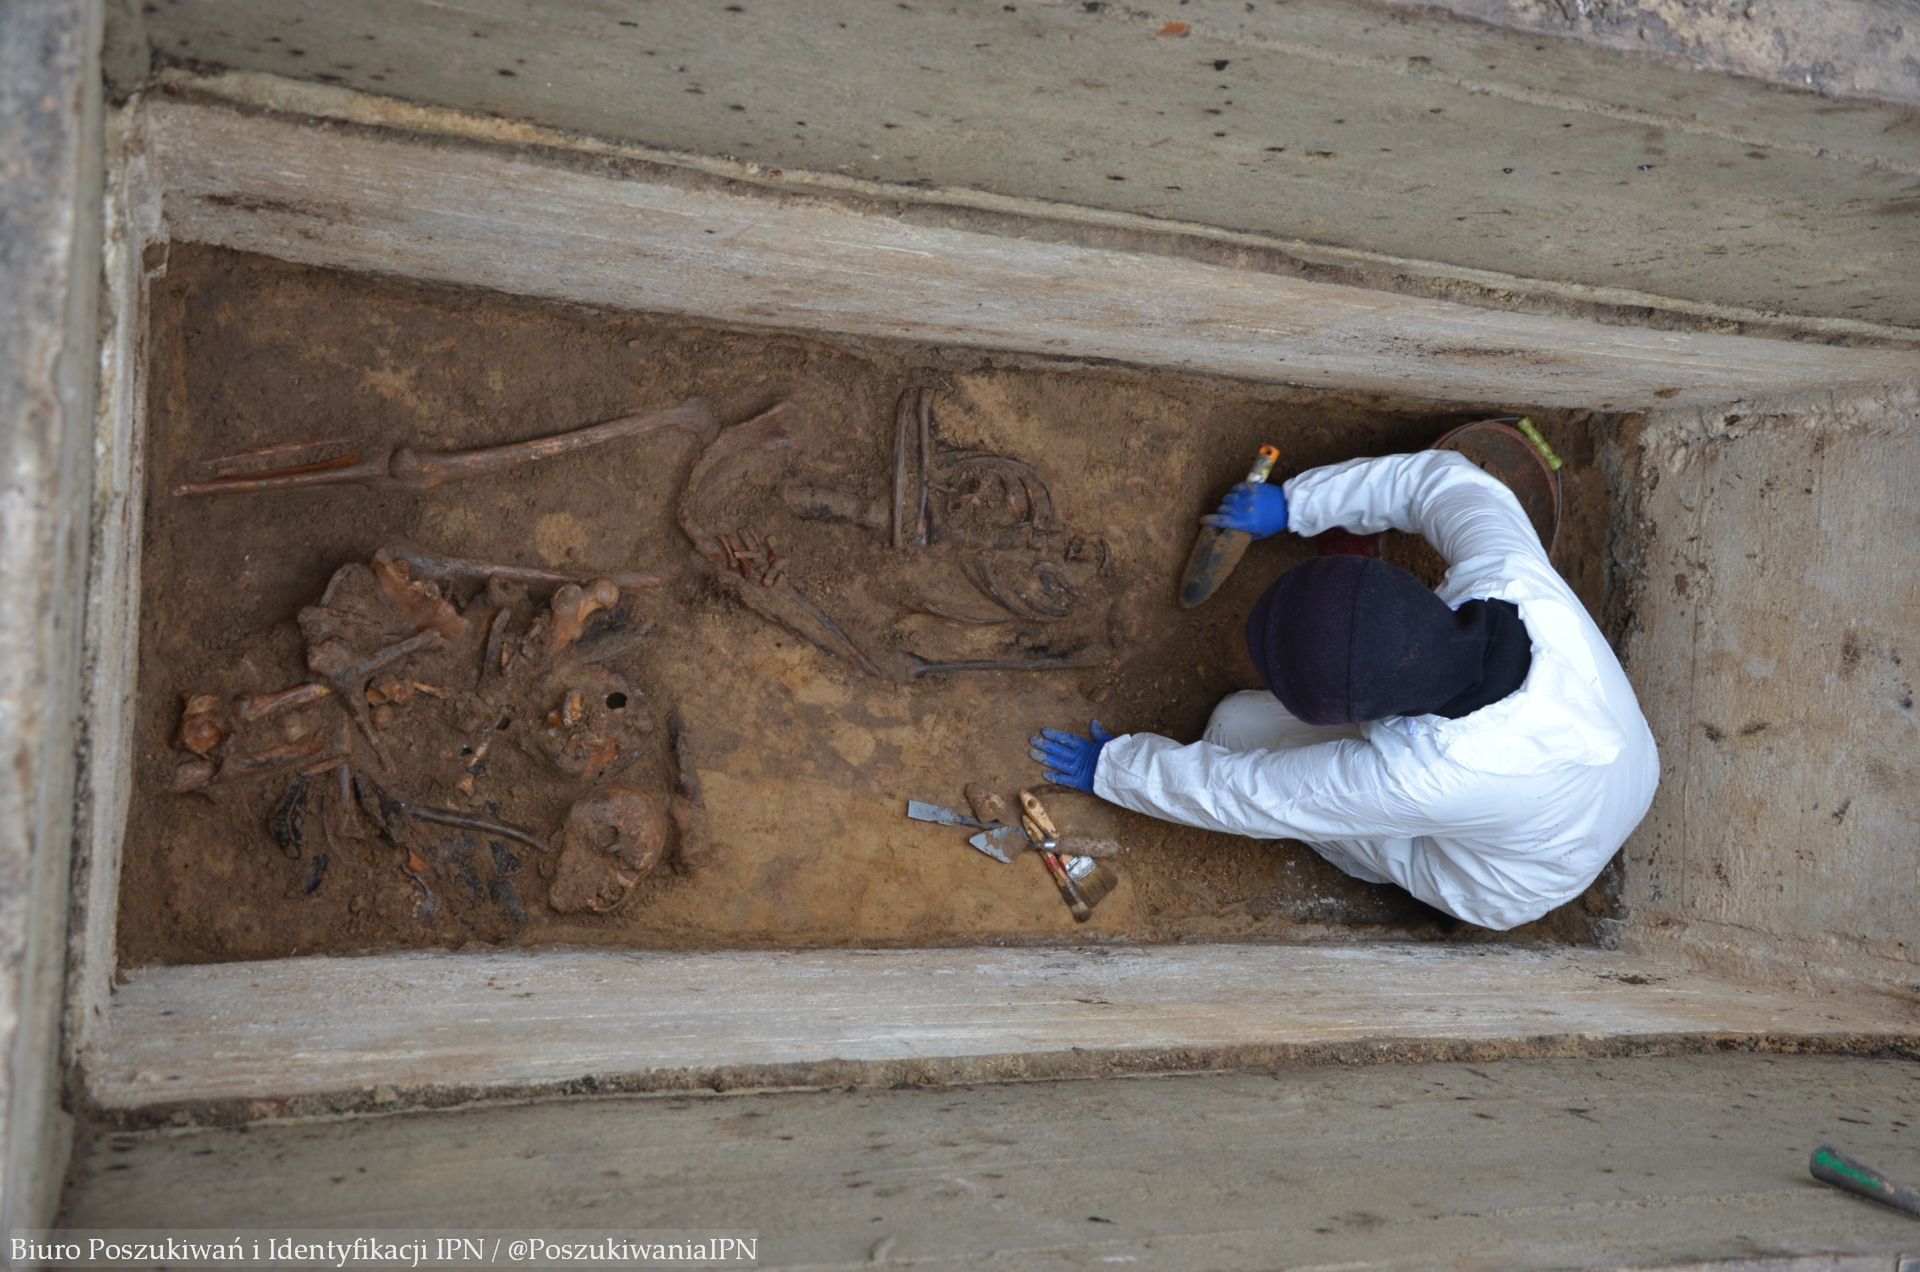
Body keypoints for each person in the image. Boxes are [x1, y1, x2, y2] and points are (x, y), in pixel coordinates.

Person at [1029, 449, 1659, 931]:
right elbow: (1441, 479)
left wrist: (1114, 770)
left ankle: (1371, 862)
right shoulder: (1506, 577)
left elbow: (1251, 795)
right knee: (1264, 739)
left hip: (1511, 877)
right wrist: (1297, 506)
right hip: (1626, 768)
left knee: (1234, 728)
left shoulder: (1420, 777)